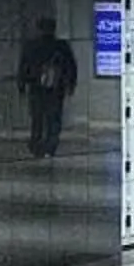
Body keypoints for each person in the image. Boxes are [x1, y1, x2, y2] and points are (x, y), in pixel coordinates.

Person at [18, 14, 78, 159]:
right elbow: (71, 66)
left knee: (37, 118)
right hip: (56, 88)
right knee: (54, 118)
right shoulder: (61, 46)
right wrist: (70, 84)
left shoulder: (31, 46)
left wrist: (21, 84)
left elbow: (23, 66)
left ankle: (36, 144)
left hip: (36, 87)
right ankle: (50, 146)